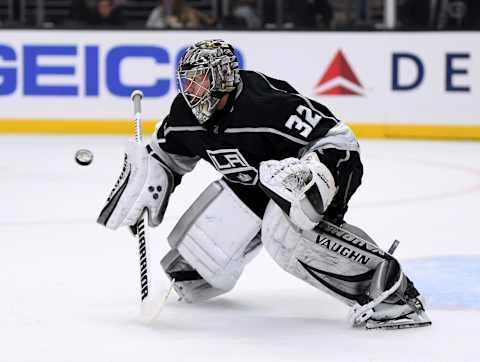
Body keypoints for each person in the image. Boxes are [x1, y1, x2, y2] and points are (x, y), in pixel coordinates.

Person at [98, 39, 432, 330]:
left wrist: (312, 176)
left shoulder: (264, 104)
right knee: (198, 256)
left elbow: (335, 140)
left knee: (284, 228)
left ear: (223, 78)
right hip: (260, 182)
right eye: (187, 82)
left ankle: (391, 291)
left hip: (324, 169)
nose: (191, 91)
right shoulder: (185, 114)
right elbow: (165, 152)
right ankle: (203, 269)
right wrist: (151, 176)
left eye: (200, 80)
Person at [146, 0, 215, 29]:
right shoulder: (157, 12)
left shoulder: (188, 12)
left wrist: (179, 25)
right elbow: (150, 28)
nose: (168, 3)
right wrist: (166, 22)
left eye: (171, 1)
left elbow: (194, 29)